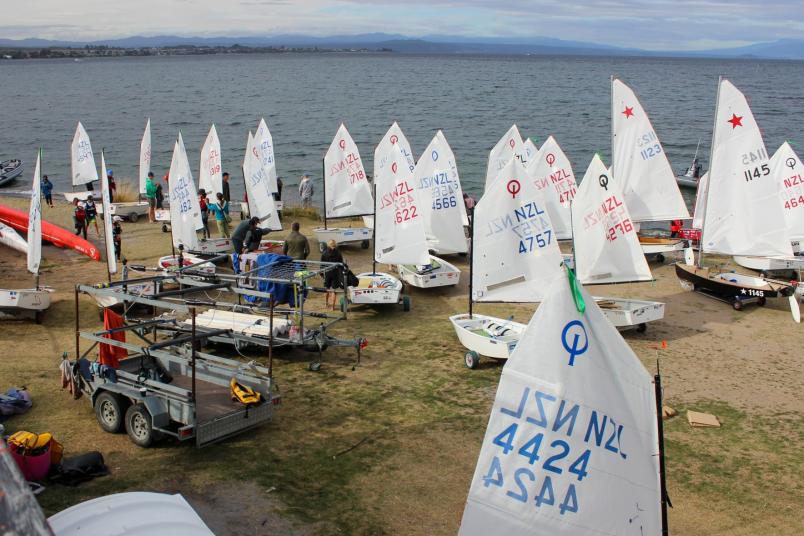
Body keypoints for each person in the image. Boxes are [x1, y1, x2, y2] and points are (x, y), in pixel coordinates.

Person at [321, 240, 345, 309]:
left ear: (328, 245)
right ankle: (333, 307)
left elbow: (322, 265)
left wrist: (322, 274)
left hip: (327, 272)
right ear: (335, 245)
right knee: (334, 291)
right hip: (335, 273)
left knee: (327, 289)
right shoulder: (338, 253)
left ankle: (326, 304)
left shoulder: (324, 253)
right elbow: (341, 265)